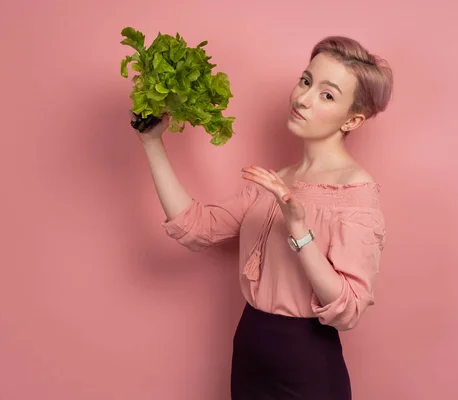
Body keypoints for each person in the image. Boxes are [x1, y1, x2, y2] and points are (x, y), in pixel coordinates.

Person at [132, 36, 393, 400]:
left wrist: (299, 229)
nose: (303, 98)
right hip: (251, 350)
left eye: (327, 95)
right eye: (306, 81)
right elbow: (196, 228)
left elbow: (347, 309)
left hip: (307, 363)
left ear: (353, 120)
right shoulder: (272, 182)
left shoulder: (354, 192)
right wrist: (152, 143)